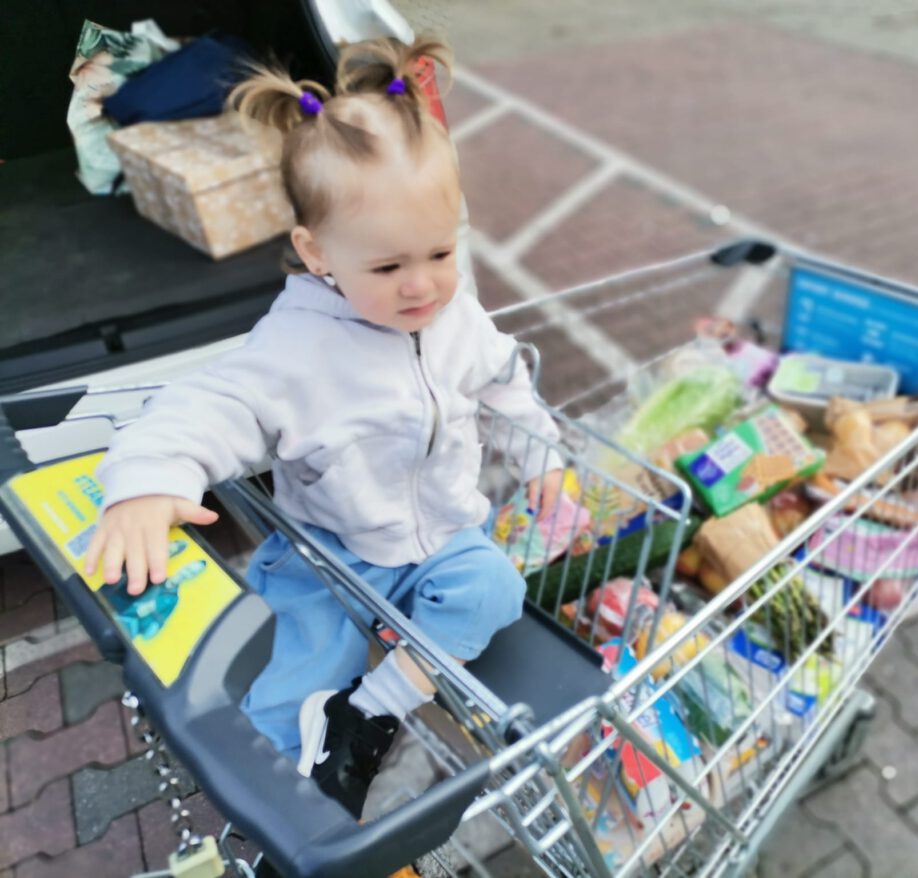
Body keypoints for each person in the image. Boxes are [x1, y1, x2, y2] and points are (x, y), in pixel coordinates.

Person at [83, 35, 564, 818]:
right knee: (286, 686)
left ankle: (369, 713)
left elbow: (505, 379)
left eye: (441, 251)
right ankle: (290, 811)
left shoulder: (456, 317)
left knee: (493, 591)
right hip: (332, 551)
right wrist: (145, 483)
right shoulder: (297, 349)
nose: (422, 286)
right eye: (386, 267)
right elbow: (207, 406)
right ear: (315, 254)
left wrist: (539, 450)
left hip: (440, 535)